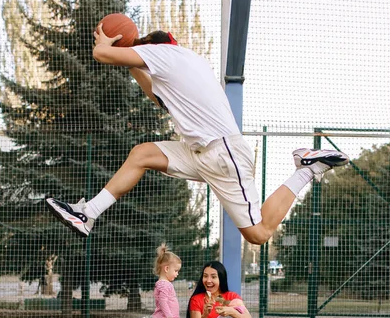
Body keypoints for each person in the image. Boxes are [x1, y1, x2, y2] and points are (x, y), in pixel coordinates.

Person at [46, 26, 349, 244]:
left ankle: (307, 169)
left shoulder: (163, 54)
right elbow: (157, 96)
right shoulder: (181, 62)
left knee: (259, 234)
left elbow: (102, 54)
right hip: (201, 152)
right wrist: (129, 60)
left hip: (223, 154)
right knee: (141, 155)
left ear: (153, 47)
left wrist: (106, 40)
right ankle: (88, 214)